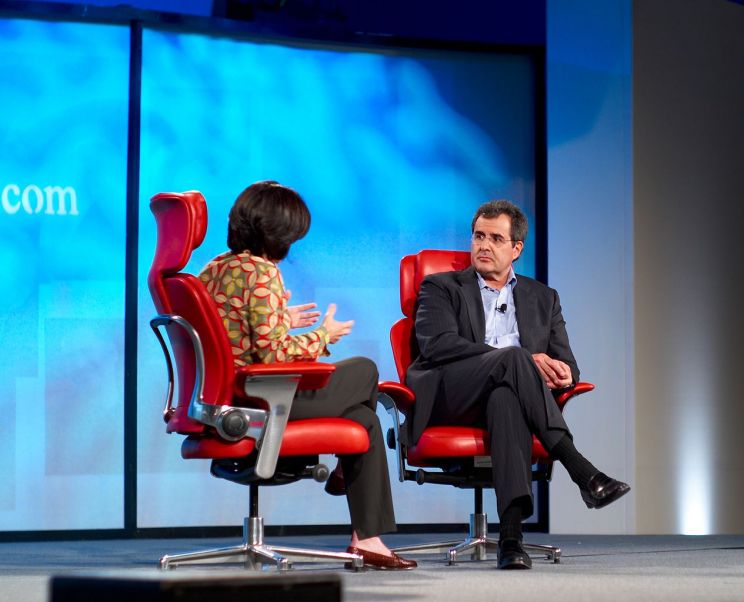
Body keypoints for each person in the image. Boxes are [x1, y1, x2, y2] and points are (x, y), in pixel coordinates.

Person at [199, 180, 415, 571]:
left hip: (233, 398)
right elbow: (272, 354)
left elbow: (232, 331)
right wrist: (323, 335)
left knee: (363, 421)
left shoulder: (215, 268)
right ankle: (345, 474)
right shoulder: (261, 272)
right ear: (277, 233)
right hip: (265, 402)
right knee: (365, 370)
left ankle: (367, 539)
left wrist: (281, 318)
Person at [406, 199, 630, 570]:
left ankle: (511, 539)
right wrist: (521, 358)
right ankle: (581, 470)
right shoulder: (441, 287)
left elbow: (569, 364)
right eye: (478, 236)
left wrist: (565, 374)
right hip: (451, 395)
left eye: (496, 238)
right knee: (514, 359)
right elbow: (438, 345)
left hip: (507, 396)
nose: (484, 245)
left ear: (516, 249)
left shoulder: (544, 298)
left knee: (506, 398)